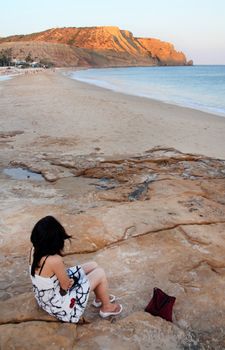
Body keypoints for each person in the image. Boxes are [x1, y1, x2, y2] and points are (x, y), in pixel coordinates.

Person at [29, 215, 122, 323]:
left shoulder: (34, 250)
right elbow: (65, 286)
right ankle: (107, 307)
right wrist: (71, 281)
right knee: (100, 272)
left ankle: (99, 298)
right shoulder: (54, 260)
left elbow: (49, 275)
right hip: (59, 306)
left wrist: (70, 280)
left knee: (93, 265)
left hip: (44, 298)